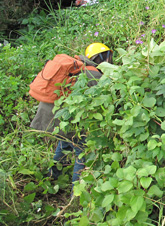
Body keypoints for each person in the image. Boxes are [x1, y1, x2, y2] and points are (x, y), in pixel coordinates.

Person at [30, 43, 113, 186]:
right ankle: (76, 193)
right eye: (109, 57)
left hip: (50, 118)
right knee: (83, 150)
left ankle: (51, 177)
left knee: (65, 142)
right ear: (101, 57)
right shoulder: (93, 74)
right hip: (60, 118)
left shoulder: (76, 68)